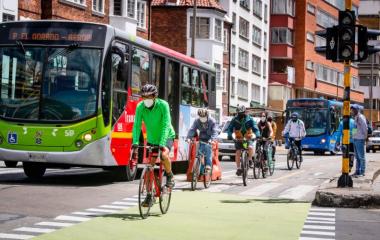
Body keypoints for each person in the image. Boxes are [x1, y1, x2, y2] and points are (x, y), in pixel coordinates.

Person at [132, 84, 176, 204]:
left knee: (164, 156)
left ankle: (170, 175)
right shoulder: (140, 106)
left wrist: (162, 143)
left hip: (167, 136)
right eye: (144, 97)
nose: (146, 100)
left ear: (154, 96)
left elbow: (166, 124)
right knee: (149, 167)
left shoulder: (163, 105)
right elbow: (136, 125)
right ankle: (149, 195)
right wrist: (135, 142)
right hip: (152, 139)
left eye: (149, 97)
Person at [227, 105, 260, 176]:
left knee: (250, 148)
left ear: (245, 112)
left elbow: (255, 128)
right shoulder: (235, 119)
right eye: (239, 113)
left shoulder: (250, 119)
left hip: (248, 137)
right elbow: (230, 128)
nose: (240, 115)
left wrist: (257, 135)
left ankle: (250, 160)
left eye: (242, 113)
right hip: (239, 138)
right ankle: (238, 168)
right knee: (238, 152)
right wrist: (229, 135)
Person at [186, 108, 219, 173]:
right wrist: (189, 138)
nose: (202, 118)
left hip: (210, 138)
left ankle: (208, 165)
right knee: (200, 152)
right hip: (202, 138)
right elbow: (192, 129)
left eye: (204, 117)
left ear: (207, 115)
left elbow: (215, 131)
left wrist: (213, 140)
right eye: (201, 117)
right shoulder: (197, 121)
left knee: (207, 148)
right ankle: (200, 170)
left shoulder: (212, 121)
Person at [351, 104, 368, 177]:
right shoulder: (355, 117)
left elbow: (365, 128)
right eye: (352, 109)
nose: (352, 110)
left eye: (354, 109)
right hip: (355, 139)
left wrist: (365, 137)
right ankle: (357, 171)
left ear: (357, 110)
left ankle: (362, 172)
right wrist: (353, 136)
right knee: (357, 157)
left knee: (361, 157)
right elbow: (355, 128)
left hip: (360, 139)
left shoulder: (361, 117)